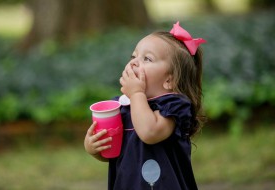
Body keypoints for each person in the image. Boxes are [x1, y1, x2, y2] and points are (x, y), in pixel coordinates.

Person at [84, 21, 206, 190]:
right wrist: (95, 149)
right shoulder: (122, 107)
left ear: (170, 80)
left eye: (147, 58)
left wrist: (136, 94)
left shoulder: (173, 107)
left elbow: (149, 132)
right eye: (134, 57)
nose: (134, 62)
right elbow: (114, 153)